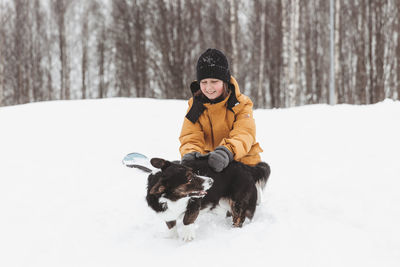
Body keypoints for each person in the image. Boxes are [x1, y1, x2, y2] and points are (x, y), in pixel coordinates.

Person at [179, 48, 263, 172]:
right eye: (204, 82)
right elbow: (191, 136)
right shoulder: (196, 105)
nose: (208, 88)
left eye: (214, 81)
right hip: (213, 165)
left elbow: (244, 134)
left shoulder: (240, 104)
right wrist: (191, 154)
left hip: (243, 164)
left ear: (225, 81)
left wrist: (227, 151)